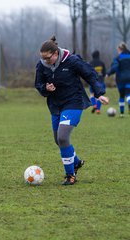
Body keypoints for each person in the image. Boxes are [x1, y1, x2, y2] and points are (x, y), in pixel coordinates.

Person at [35, 36, 109, 185]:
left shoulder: (72, 61)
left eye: (47, 58)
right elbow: (38, 84)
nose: (45, 61)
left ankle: (70, 176)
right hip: (56, 106)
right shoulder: (42, 65)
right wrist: (45, 88)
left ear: (56, 54)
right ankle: (75, 162)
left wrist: (99, 93)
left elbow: (90, 75)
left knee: (62, 137)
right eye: (42, 58)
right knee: (59, 140)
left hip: (73, 102)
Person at [106, 42, 130, 117]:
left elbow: (115, 67)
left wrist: (108, 73)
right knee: (129, 94)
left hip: (120, 79)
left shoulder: (118, 58)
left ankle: (122, 113)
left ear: (120, 49)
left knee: (122, 96)